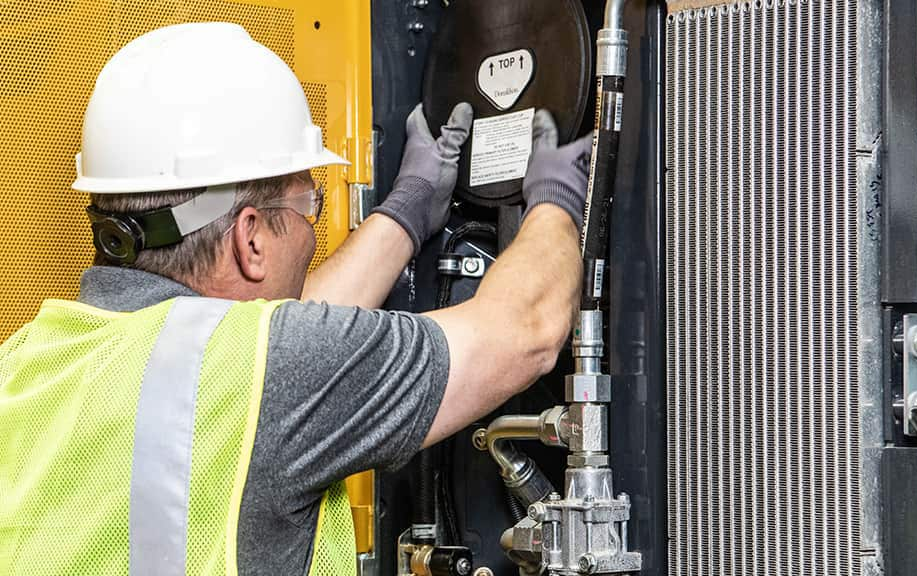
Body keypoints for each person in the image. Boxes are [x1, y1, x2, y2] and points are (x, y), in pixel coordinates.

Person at [0, 21, 592, 576]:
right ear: (250, 238)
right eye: (310, 207)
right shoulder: (272, 370)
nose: (315, 226)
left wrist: (405, 211)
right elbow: (527, 330)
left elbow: (264, 336)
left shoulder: (25, 363)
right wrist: (558, 199)